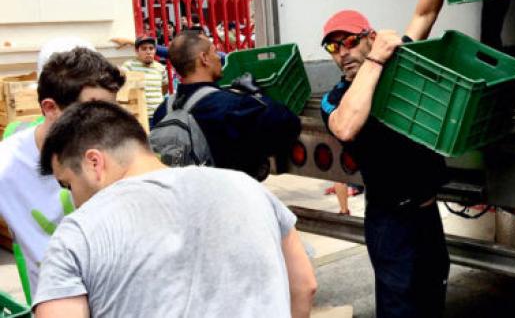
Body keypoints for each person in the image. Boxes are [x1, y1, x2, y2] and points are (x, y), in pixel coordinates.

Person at [33, 101, 317, 318]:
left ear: (94, 163)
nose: (73, 200)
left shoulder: (78, 233)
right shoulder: (249, 188)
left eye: (68, 184)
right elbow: (304, 286)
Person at [320, 0, 449, 317]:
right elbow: (345, 128)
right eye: (332, 47)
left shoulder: (398, 67)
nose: (342, 53)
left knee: (432, 302)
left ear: (370, 37)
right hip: (390, 222)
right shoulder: (337, 97)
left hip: (426, 215)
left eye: (348, 42)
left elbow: (424, 13)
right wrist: (374, 62)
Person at [0, 47, 125, 295]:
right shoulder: (8, 163)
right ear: (50, 108)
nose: (105, 121)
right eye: (91, 110)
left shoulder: (121, 149)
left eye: (111, 109)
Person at [150, 29, 300, 180]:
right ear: (204, 58)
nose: (218, 58)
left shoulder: (163, 110)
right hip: (226, 198)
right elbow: (289, 125)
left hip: (182, 196)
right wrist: (257, 94)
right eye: (214, 52)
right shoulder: (231, 106)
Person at [121, 35, 167, 127]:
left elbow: (164, 88)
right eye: (144, 49)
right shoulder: (129, 66)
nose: (148, 52)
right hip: (139, 118)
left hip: (159, 116)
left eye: (151, 48)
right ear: (137, 51)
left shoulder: (160, 68)